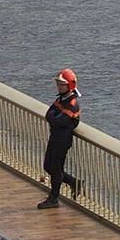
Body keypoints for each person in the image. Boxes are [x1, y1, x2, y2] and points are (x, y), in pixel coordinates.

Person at [37, 68, 83, 209]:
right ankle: (73, 182)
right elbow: (49, 114)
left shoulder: (72, 104)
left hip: (62, 140)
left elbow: (58, 121)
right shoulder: (61, 100)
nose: (59, 86)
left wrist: (54, 117)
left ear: (69, 85)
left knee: (56, 168)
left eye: (61, 84)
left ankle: (54, 198)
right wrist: (54, 117)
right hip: (55, 136)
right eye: (58, 84)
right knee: (48, 166)